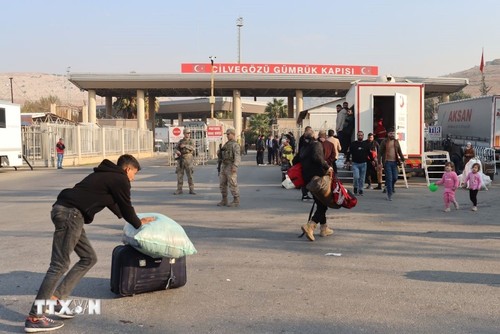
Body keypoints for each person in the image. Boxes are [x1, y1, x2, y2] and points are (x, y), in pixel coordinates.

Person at [24, 154, 155, 333]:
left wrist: (130, 219)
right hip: (71, 214)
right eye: (134, 174)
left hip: (69, 213)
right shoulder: (120, 179)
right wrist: (138, 224)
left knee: (88, 258)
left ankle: (56, 299)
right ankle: (35, 317)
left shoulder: (106, 175)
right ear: (127, 169)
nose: (133, 178)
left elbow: (113, 203)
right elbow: (126, 205)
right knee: (59, 265)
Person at [292, 129, 334, 241]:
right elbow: (318, 158)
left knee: (320, 202)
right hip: (317, 179)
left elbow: (295, 161)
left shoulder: (303, 148)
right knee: (323, 204)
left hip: (307, 180)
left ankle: (324, 228)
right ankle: (311, 226)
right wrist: (327, 167)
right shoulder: (316, 145)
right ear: (314, 136)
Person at [378, 128, 405, 201]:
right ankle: (389, 195)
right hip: (387, 162)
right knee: (389, 178)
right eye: (390, 133)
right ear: (388, 134)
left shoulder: (396, 142)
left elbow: (399, 151)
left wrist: (403, 160)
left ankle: (388, 186)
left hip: (394, 162)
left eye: (393, 133)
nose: (392, 135)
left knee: (395, 177)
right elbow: (380, 153)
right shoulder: (384, 141)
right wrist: (379, 163)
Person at [217, 128, 241, 207]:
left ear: (232, 134)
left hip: (230, 165)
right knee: (222, 183)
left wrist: (235, 165)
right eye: (226, 134)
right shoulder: (226, 144)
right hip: (224, 165)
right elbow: (222, 154)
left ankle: (236, 199)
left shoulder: (235, 145)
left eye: (228, 134)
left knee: (232, 183)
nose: (227, 136)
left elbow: (237, 156)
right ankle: (224, 199)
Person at [345, 131, 371, 196]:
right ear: (357, 136)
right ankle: (355, 188)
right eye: (359, 135)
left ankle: (361, 190)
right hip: (355, 163)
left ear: (363, 136)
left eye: (361, 135)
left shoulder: (366, 144)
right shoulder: (353, 144)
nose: (360, 136)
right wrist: (347, 160)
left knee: (362, 178)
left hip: (363, 163)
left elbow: (369, 153)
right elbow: (349, 153)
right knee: (356, 177)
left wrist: (373, 160)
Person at [174, 128, 196, 195]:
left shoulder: (191, 141)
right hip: (181, 159)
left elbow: (193, 148)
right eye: (187, 133)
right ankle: (179, 189)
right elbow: (175, 148)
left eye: (189, 133)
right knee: (180, 175)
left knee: (190, 175)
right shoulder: (180, 141)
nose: (188, 134)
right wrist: (177, 151)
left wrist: (185, 146)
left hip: (188, 159)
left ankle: (191, 189)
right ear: (184, 134)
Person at [297, 126, 314, 201]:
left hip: (304, 160)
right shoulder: (306, 139)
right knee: (306, 178)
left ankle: (306, 193)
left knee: (307, 178)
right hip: (306, 161)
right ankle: (305, 194)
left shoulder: (304, 138)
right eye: (310, 131)